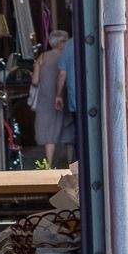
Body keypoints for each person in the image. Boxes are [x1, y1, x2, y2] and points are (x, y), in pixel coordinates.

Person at [28, 30, 77, 167]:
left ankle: (48, 165)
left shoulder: (42, 57)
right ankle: (70, 163)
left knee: (49, 133)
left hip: (46, 100)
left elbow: (35, 81)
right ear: (62, 42)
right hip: (65, 97)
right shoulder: (68, 54)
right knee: (68, 132)